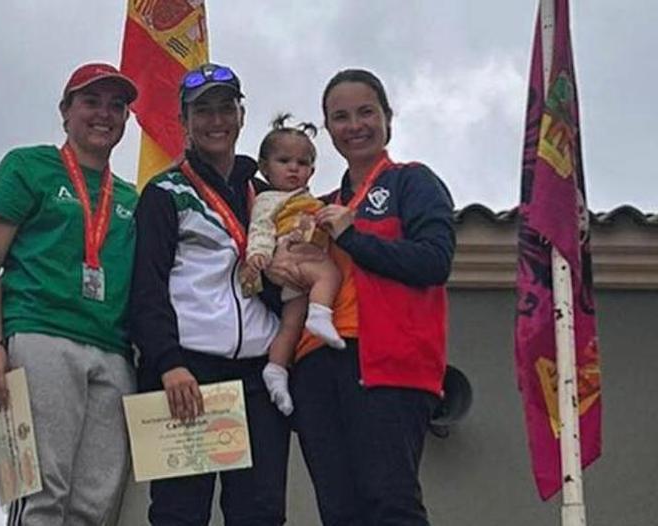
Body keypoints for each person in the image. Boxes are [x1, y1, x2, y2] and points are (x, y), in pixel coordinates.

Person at [273, 68, 456, 525]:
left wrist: (354, 237)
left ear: (387, 118)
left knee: (390, 503)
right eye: (340, 117)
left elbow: (434, 262)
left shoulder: (411, 181)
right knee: (339, 511)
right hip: (314, 366)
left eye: (365, 112)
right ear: (328, 129)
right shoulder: (319, 203)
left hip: (385, 365)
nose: (354, 125)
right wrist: (281, 265)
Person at [0, 62, 140, 525]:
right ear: (65, 111)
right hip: (40, 334)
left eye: (116, 106)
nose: (104, 114)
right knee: (41, 492)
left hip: (113, 351)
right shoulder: (28, 166)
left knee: (95, 504)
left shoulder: (131, 198)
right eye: (91, 102)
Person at [129, 62, 290, 526]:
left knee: (259, 513)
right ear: (184, 122)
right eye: (203, 112)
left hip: (258, 375)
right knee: (180, 514)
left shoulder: (266, 195)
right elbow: (147, 288)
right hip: (188, 373)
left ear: (242, 116)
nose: (215, 121)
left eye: (225, 108)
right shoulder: (164, 192)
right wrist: (168, 362)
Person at [240, 114, 346, 416]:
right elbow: (260, 228)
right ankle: (321, 314)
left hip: (299, 281)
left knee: (290, 324)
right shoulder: (268, 199)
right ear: (264, 167)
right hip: (293, 258)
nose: (293, 168)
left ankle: (275, 370)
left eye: (302, 163)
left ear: (312, 170)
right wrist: (258, 255)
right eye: (284, 160)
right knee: (331, 273)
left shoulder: (311, 199)